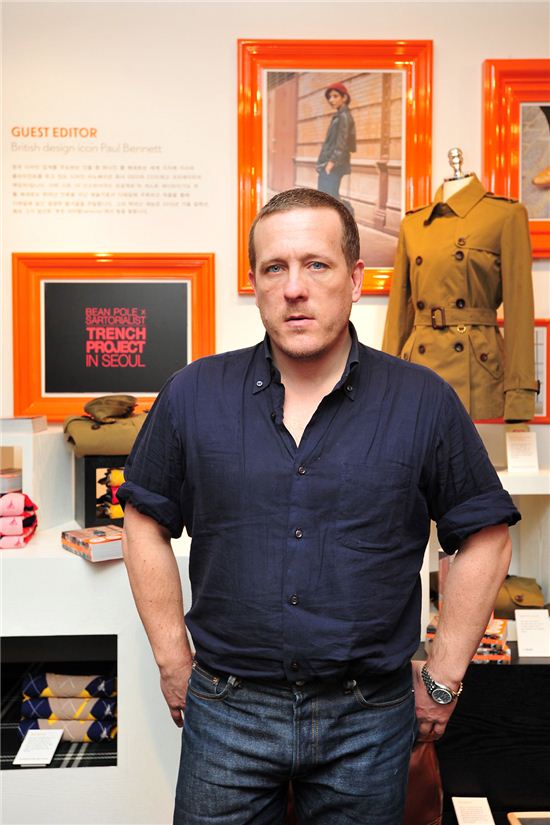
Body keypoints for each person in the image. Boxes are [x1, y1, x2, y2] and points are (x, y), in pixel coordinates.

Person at [119, 188, 518, 825]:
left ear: (355, 279)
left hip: (369, 719)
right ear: (255, 284)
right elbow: (144, 520)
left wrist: (443, 676)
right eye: (274, 268)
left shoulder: (423, 400)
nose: (294, 288)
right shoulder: (193, 393)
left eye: (316, 264)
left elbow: (485, 535)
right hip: (227, 713)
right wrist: (172, 663)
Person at [316, 82, 356, 201]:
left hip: (333, 165)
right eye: (329, 97)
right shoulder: (339, 115)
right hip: (330, 163)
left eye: (335, 96)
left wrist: (330, 164)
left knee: (327, 199)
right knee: (328, 198)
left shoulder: (344, 116)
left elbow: (342, 143)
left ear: (344, 98)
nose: (331, 100)